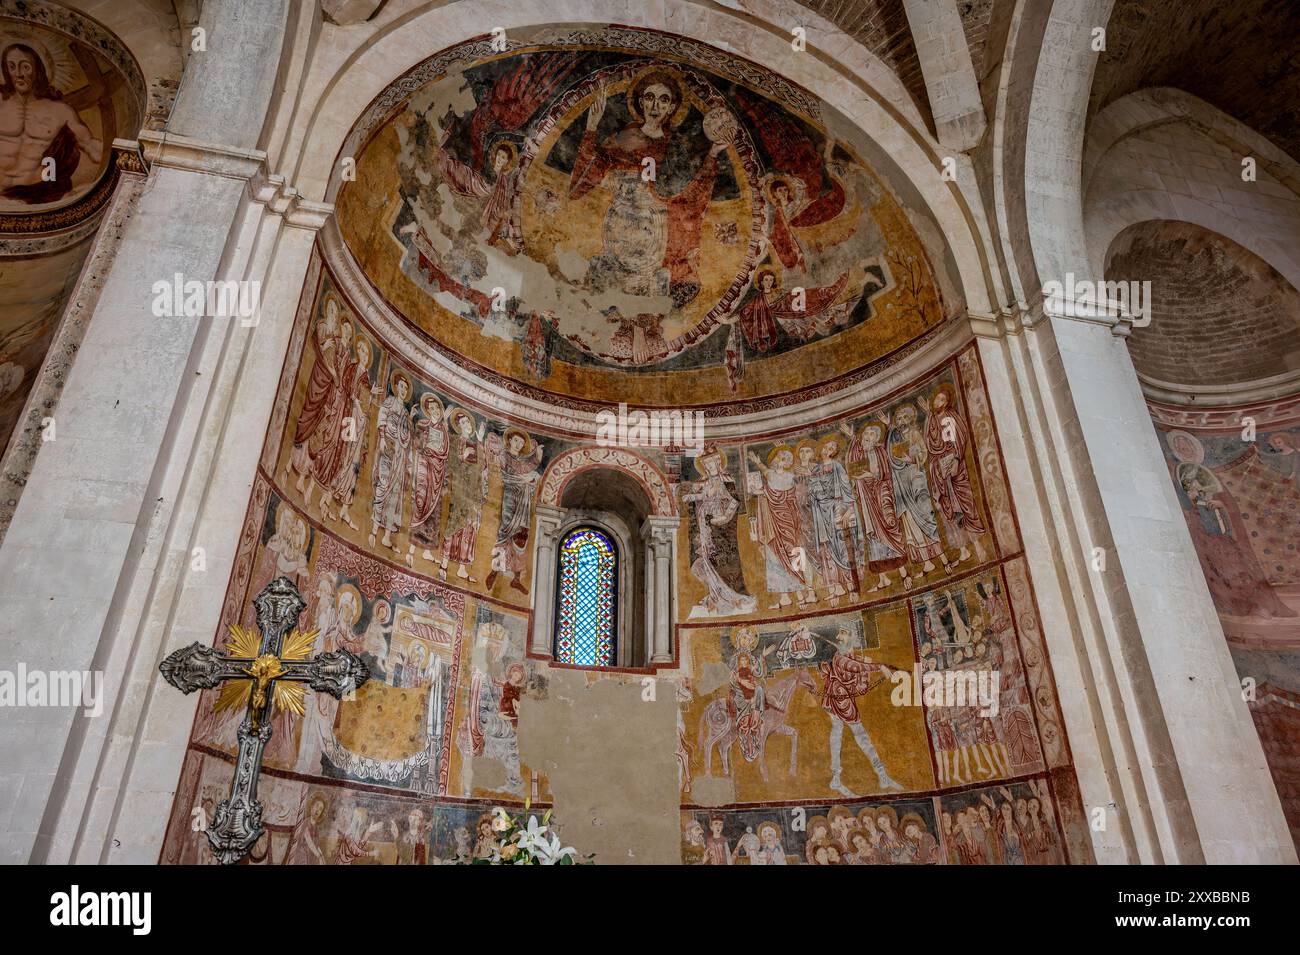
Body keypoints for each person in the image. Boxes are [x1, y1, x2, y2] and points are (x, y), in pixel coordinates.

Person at [0, 43, 103, 203]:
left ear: (38, 70)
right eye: (12, 67)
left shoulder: (60, 111)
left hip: (39, 195)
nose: (18, 74)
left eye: (25, 67)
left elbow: (91, 146)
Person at [818, 627, 903, 796]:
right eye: (839, 632)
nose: (837, 636)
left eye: (842, 632)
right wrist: (878, 666)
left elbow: (861, 688)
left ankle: (878, 776)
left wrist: (866, 671)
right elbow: (853, 666)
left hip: (845, 701)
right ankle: (874, 775)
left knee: (846, 734)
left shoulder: (855, 659)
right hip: (838, 699)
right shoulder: (840, 658)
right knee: (848, 734)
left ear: (852, 637)